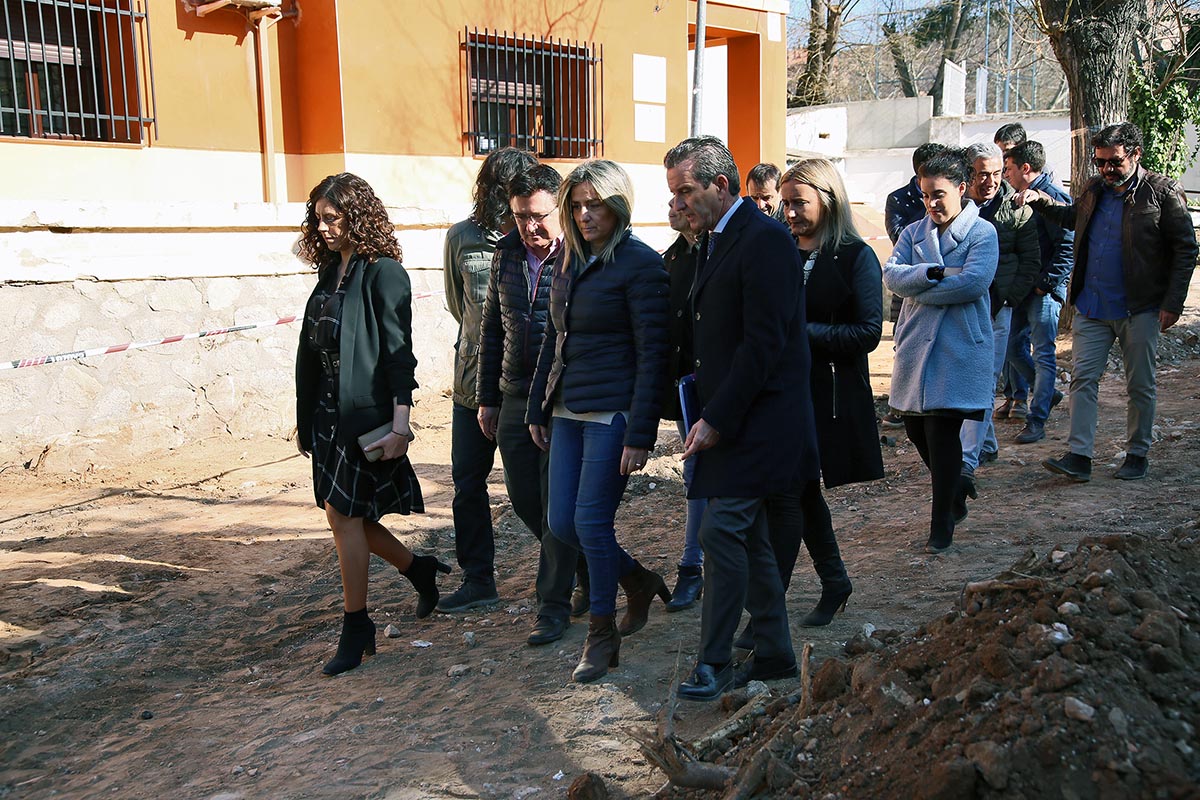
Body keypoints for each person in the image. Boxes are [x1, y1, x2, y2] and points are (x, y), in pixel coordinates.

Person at [664, 136, 820, 701]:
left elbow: (764, 344)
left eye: (686, 191)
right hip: (731, 417)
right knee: (749, 536)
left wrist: (717, 419)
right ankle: (775, 652)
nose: (679, 203)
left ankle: (712, 661)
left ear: (720, 185)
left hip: (762, 422)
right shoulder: (713, 240)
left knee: (720, 531)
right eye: (674, 193)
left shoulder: (766, 240)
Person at [295, 173, 449, 676]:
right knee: (349, 518)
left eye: (332, 218)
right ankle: (418, 569)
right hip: (326, 412)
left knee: (344, 517)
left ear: (357, 216)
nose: (322, 228)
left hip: (365, 416)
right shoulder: (327, 273)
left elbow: (399, 355)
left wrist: (401, 426)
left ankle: (357, 624)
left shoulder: (385, 273)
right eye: (317, 219)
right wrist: (304, 415)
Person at [526, 159, 671, 683]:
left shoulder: (641, 264)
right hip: (565, 410)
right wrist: (536, 408)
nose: (585, 215)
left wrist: (641, 434)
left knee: (589, 522)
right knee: (561, 525)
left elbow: (654, 356)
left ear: (618, 207)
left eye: (596, 205)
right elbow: (552, 337)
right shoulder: (566, 260)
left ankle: (602, 634)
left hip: (613, 413)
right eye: (577, 205)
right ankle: (639, 579)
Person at [1017, 122, 1198, 482]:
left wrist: (1172, 303)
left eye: (1114, 162)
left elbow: (1186, 248)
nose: (1106, 170)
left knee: (1139, 385)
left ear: (1136, 154)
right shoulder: (1095, 188)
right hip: (1092, 306)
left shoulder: (1162, 191)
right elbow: (1074, 218)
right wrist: (1042, 202)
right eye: (1100, 162)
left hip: (1141, 307)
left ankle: (1136, 453)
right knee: (1083, 380)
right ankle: (1079, 456)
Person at [476, 164, 585, 646]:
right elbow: (493, 328)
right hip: (515, 393)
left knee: (554, 505)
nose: (531, 227)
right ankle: (613, 572)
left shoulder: (583, 256)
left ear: (560, 209)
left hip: (562, 398)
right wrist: (487, 397)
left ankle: (552, 605)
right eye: (521, 217)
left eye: (539, 216)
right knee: (524, 500)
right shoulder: (505, 253)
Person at [774, 157, 883, 625]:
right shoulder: (781, 251)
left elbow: (868, 332)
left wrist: (801, 332)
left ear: (828, 199)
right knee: (795, 492)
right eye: (785, 203)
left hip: (829, 393)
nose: (790, 212)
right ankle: (832, 581)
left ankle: (767, 608)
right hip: (781, 392)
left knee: (790, 492)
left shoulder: (857, 256)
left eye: (800, 202)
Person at [884, 149, 998, 554]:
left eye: (939, 194)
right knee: (916, 429)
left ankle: (941, 524)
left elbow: (973, 284)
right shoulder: (914, 233)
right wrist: (934, 272)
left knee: (941, 428)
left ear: (962, 189)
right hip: (917, 343)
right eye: (926, 194)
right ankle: (957, 488)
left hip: (958, 345)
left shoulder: (982, 234)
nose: (932, 203)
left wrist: (921, 285)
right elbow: (892, 276)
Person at [440, 147, 538, 612]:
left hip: (524, 386)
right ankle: (478, 578)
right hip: (471, 384)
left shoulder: (537, 238)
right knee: (467, 484)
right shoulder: (461, 238)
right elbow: (460, 307)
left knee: (532, 491)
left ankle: (566, 573)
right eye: (501, 189)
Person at [955, 142, 1040, 518]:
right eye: (981, 173)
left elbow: (1030, 259)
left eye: (995, 173)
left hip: (998, 310)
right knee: (968, 380)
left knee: (984, 381)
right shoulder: (956, 211)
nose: (989, 181)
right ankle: (986, 444)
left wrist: (1008, 299)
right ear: (966, 176)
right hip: (962, 309)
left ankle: (966, 459)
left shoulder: (1017, 211)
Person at [1003, 140, 1074, 445]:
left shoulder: (1053, 199)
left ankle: (1037, 419)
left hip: (1043, 291)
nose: (1004, 174)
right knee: (1010, 347)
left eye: (1008, 168)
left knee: (1043, 354)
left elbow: (1067, 247)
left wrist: (1045, 284)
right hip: (1025, 288)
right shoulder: (1018, 198)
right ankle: (1047, 392)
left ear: (1025, 169)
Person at [660, 201, 706, 613]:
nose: (673, 206)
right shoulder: (670, 258)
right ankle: (693, 566)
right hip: (685, 390)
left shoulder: (723, 250)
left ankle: (697, 564)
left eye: (682, 197)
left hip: (724, 387)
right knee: (696, 472)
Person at [881, 142, 947, 428]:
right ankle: (902, 405)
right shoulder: (899, 200)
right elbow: (899, 252)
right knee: (904, 344)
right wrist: (935, 270)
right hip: (906, 293)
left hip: (922, 285)